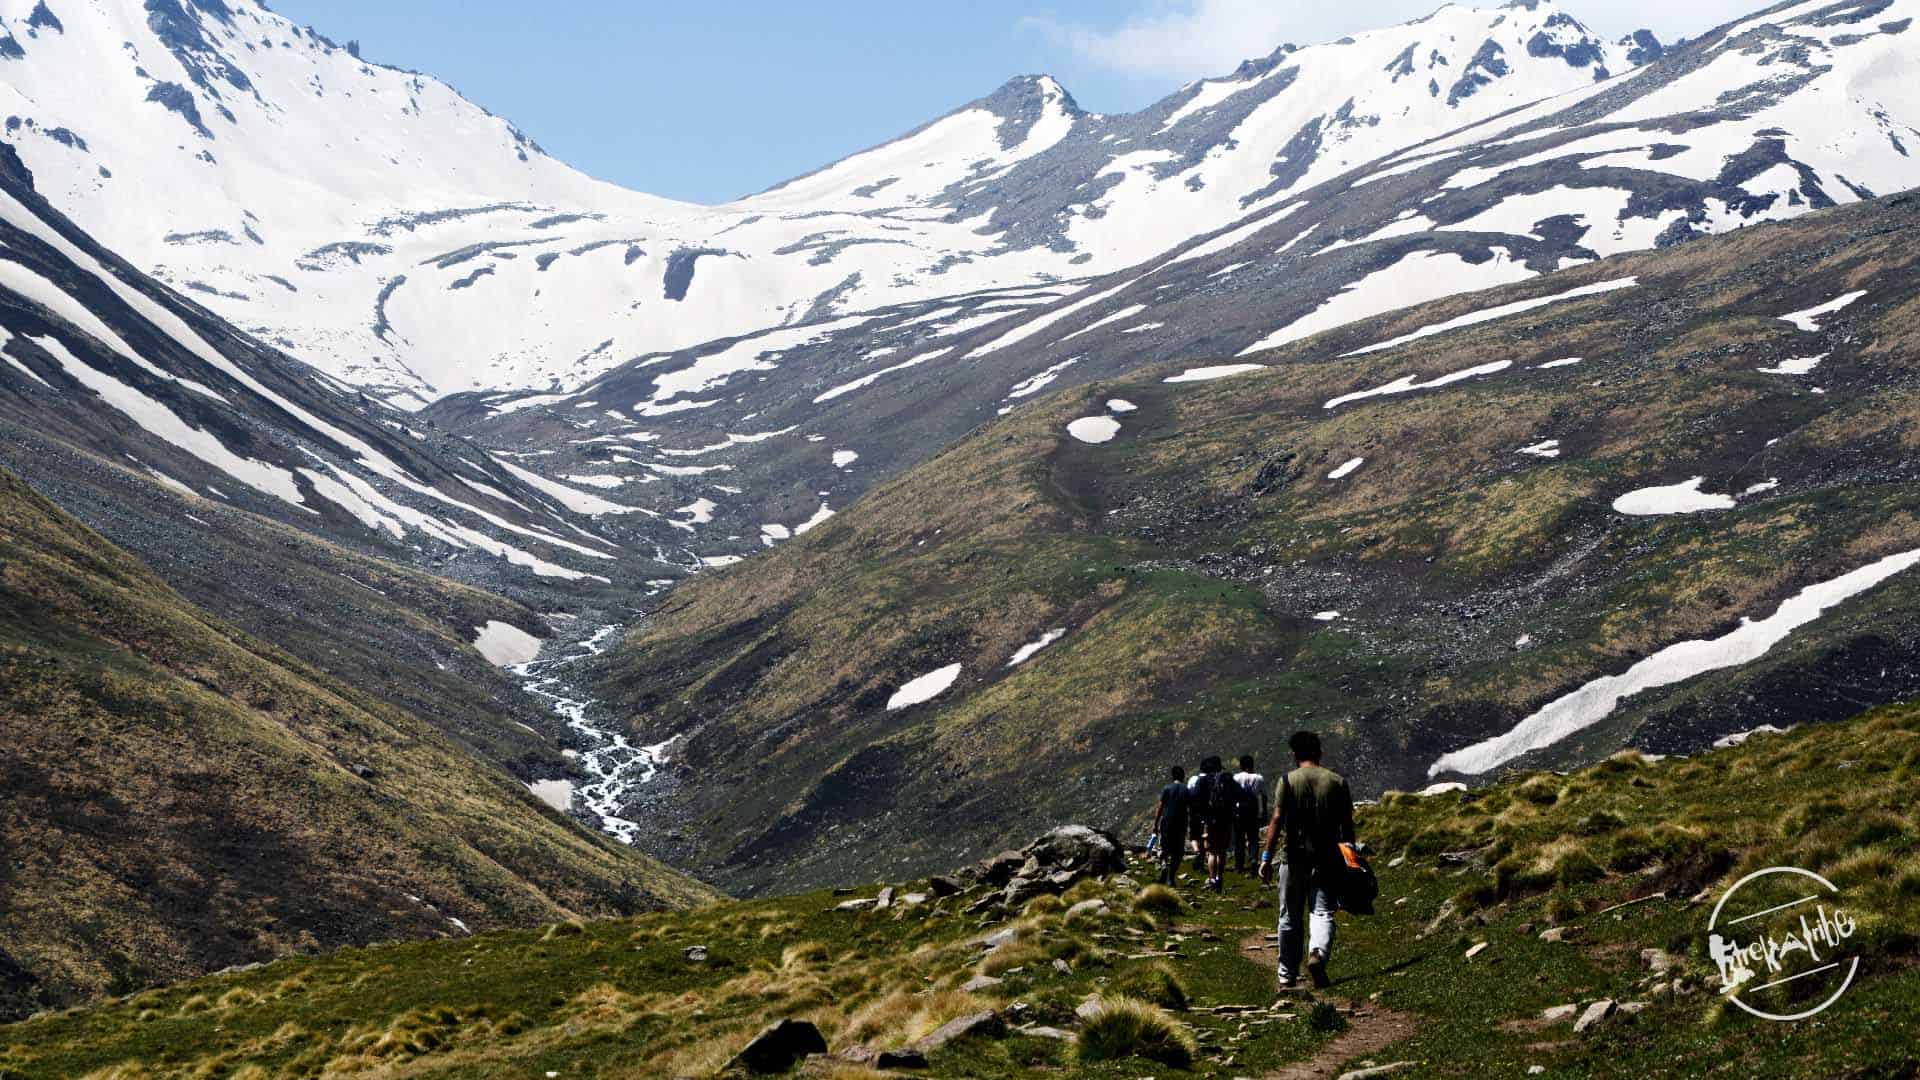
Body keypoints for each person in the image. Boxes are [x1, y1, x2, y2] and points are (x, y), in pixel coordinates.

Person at [1258, 731, 1356, 990]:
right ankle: (1318, 955)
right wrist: (1352, 856)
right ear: (1319, 751)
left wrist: (1267, 857)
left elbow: (1277, 819)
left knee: (1289, 915)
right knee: (1322, 911)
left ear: (1295, 754)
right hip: (1327, 856)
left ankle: (1286, 974)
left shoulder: (1288, 781)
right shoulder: (1337, 781)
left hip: (1293, 856)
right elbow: (1347, 825)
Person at [1190, 755, 1236, 892]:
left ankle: (1212, 878)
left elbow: (1194, 798)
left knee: (1211, 852)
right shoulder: (1227, 779)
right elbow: (1237, 794)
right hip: (1226, 820)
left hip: (1209, 820)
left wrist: (1201, 815)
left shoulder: (1203, 780)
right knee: (1222, 851)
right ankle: (1220, 878)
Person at [1150, 766, 1189, 886]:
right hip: (1181, 823)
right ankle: (1171, 877)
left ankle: (1163, 865)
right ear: (1183, 776)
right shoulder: (1186, 790)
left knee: (1164, 847)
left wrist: (1155, 824)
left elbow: (1160, 808)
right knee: (1178, 852)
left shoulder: (1167, 788)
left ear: (1172, 776)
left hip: (1167, 822)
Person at [1231, 754, 1269, 875]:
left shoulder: (1235, 778)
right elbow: (1264, 796)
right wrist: (1264, 812)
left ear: (1241, 765)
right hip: (1253, 811)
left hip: (1238, 812)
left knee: (1239, 839)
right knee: (1253, 838)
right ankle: (1253, 859)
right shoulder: (1259, 778)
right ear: (1252, 765)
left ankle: (1239, 865)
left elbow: (1231, 796)